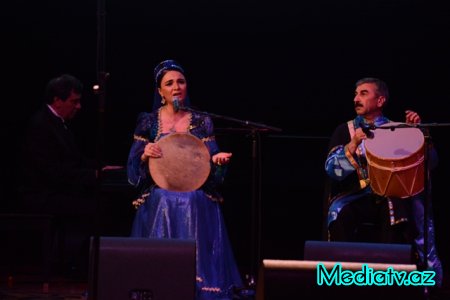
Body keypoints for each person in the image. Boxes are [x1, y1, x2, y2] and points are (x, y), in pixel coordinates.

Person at [127, 59, 243, 299]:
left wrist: (218, 161)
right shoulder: (149, 121)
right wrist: (143, 154)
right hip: (159, 189)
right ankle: (159, 274)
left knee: (192, 200)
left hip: (193, 190)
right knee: (162, 198)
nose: (176, 87)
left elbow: (211, 167)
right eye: (169, 83)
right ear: (160, 91)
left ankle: (197, 280)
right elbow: (132, 167)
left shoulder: (201, 121)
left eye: (180, 81)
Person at [324, 77, 443, 286]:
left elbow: (430, 164)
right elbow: (332, 171)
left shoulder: (396, 129)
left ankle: (389, 281)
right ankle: (342, 281)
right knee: (340, 213)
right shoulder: (345, 130)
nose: (356, 99)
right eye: (355, 94)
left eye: (363, 93)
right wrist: (351, 145)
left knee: (396, 210)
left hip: (390, 196)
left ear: (380, 101)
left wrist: (419, 133)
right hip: (355, 197)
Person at [19, 74, 98, 277]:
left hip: (54, 189)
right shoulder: (40, 125)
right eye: (74, 101)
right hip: (41, 195)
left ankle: (75, 262)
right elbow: (51, 172)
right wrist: (90, 176)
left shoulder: (58, 124)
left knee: (95, 204)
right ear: (57, 100)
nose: (78, 106)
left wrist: (100, 169)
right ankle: (76, 265)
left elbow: (74, 160)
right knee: (94, 208)